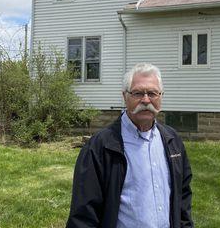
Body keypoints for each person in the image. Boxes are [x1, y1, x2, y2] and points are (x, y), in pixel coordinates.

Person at [66, 62, 194, 228]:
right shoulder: (100, 147)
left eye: (153, 93)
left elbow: (183, 200)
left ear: (161, 96)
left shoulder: (172, 141)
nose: (146, 100)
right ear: (124, 96)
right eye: (138, 93)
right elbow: (83, 217)